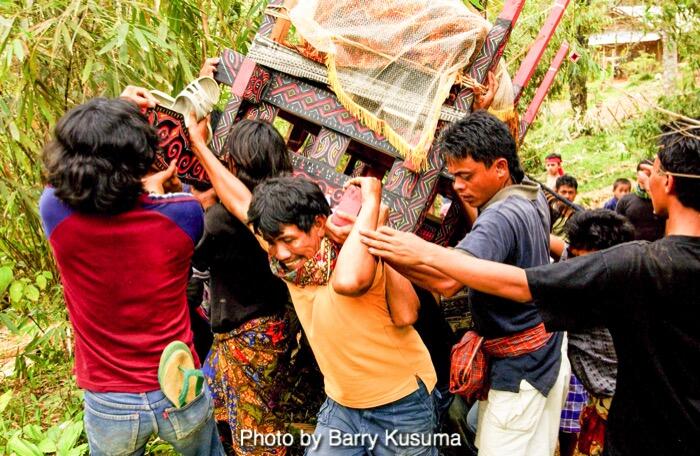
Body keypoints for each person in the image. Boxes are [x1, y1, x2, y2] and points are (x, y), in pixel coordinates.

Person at [360, 120, 700, 456]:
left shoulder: (634, 265)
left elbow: (506, 285)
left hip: (530, 378)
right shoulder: (534, 195)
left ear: (668, 182)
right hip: (549, 362)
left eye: (652, 172)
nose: (459, 186)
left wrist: (410, 250)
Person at [187, 114, 439, 455]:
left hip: (401, 403)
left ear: (320, 224)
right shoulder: (289, 259)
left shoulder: (359, 254)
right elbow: (239, 202)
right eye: (271, 242)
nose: (280, 253)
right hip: (343, 406)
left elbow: (388, 302)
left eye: (289, 240)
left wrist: (373, 204)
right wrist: (198, 144)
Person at [39, 91, 223, 455]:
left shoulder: (56, 214)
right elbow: (179, 200)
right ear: (141, 162)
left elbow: (67, 179)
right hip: (179, 383)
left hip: (109, 399)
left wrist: (112, 112)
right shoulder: (184, 215)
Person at [380, 111, 569, 455]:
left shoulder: (500, 216)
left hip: (521, 370)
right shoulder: (530, 193)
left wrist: (393, 251)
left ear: (499, 167)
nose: (458, 187)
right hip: (547, 350)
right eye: (453, 177)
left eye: (466, 177)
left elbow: (448, 282)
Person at [193, 120, 294, 455]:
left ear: (234, 164)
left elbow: (196, 259)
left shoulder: (222, 218)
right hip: (272, 326)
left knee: (257, 434)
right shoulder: (287, 209)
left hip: (244, 336)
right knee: (214, 402)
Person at [616, 159, 665, 241]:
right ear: (638, 176)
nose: (646, 179)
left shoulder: (664, 200)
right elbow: (618, 228)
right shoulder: (625, 200)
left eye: (649, 176)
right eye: (644, 176)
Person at [549, 174, 580, 239]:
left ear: (576, 193)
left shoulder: (579, 213)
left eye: (571, 192)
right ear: (556, 192)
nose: (567, 196)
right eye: (563, 192)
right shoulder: (549, 209)